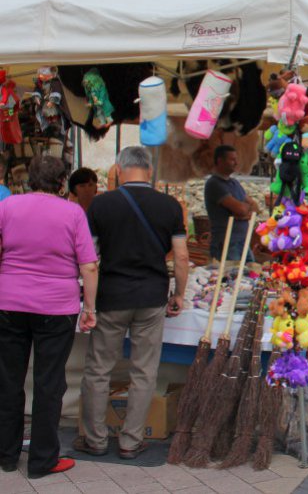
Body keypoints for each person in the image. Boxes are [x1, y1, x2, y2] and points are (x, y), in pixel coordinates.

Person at [76, 147, 189, 459]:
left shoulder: (101, 205)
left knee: (99, 369)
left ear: (118, 170)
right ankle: (130, 440)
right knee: (144, 370)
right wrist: (178, 294)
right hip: (152, 297)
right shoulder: (169, 206)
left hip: (111, 296)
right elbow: (180, 256)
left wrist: (88, 302)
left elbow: (90, 259)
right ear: (149, 171)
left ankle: (95, 440)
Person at [0, 156, 99, 479]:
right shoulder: (72, 212)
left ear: (29, 179)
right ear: (61, 183)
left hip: (9, 303)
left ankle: (6, 456)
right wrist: (90, 308)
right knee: (49, 383)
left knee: (8, 381)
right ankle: (42, 460)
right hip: (56, 308)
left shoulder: (8, 206)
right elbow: (88, 266)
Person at [205, 145, 259, 262]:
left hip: (242, 241)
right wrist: (245, 212)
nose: (236, 162)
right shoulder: (214, 184)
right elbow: (241, 210)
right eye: (232, 159)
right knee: (230, 276)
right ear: (220, 161)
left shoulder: (234, 183)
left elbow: (255, 206)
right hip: (226, 242)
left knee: (251, 274)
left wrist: (244, 213)